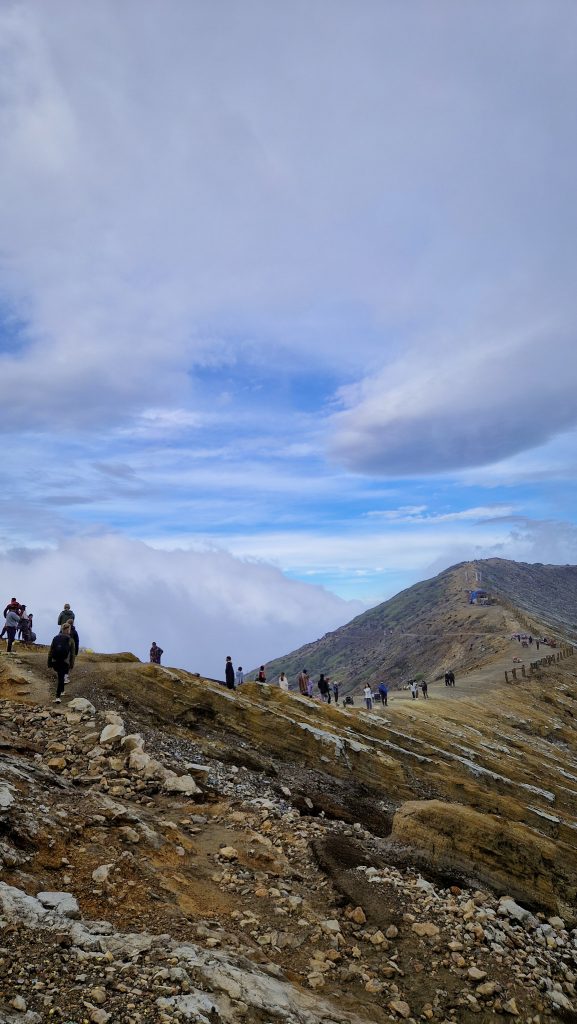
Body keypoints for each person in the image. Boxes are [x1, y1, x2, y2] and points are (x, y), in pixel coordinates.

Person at [48, 622, 76, 702]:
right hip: (64, 662)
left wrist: (49, 662)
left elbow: (50, 651)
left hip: (55, 660)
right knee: (61, 677)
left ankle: (62, 691)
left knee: (60, 675)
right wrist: (71, 664)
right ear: (68, 630)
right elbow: (72, 654)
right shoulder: (71, 640)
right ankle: (57, 697)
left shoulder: (55, 637)